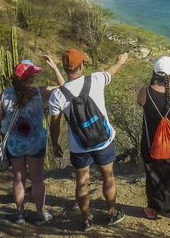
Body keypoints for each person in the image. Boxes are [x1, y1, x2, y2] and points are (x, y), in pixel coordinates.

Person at [49, 49, 128, 231]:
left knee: (82, 182)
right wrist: (120, 61)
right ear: (81, 65)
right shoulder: (95, 80)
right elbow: (112, 71)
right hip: (103, 141)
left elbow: (55, 124)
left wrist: (55, 144)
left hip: (79, 146)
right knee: (108, 176)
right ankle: (111, 213)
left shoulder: (58, 95)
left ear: (64, 68)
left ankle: (86, 219)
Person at [0, 55, 64, 226]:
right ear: (29, 78)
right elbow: (63, 87)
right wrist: (54, 67)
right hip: (35, 142)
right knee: (37, 179)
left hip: (15, 143)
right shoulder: (40, 92)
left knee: (18, 178)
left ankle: (20, 214)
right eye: (33, 75)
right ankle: (40, 214)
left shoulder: (6, 94)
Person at [137, 56, 170, 220]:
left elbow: (140, 102)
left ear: (155, 72)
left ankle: (153, 209)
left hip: (152, 144)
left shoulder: (145, 91)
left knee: (154, 175)